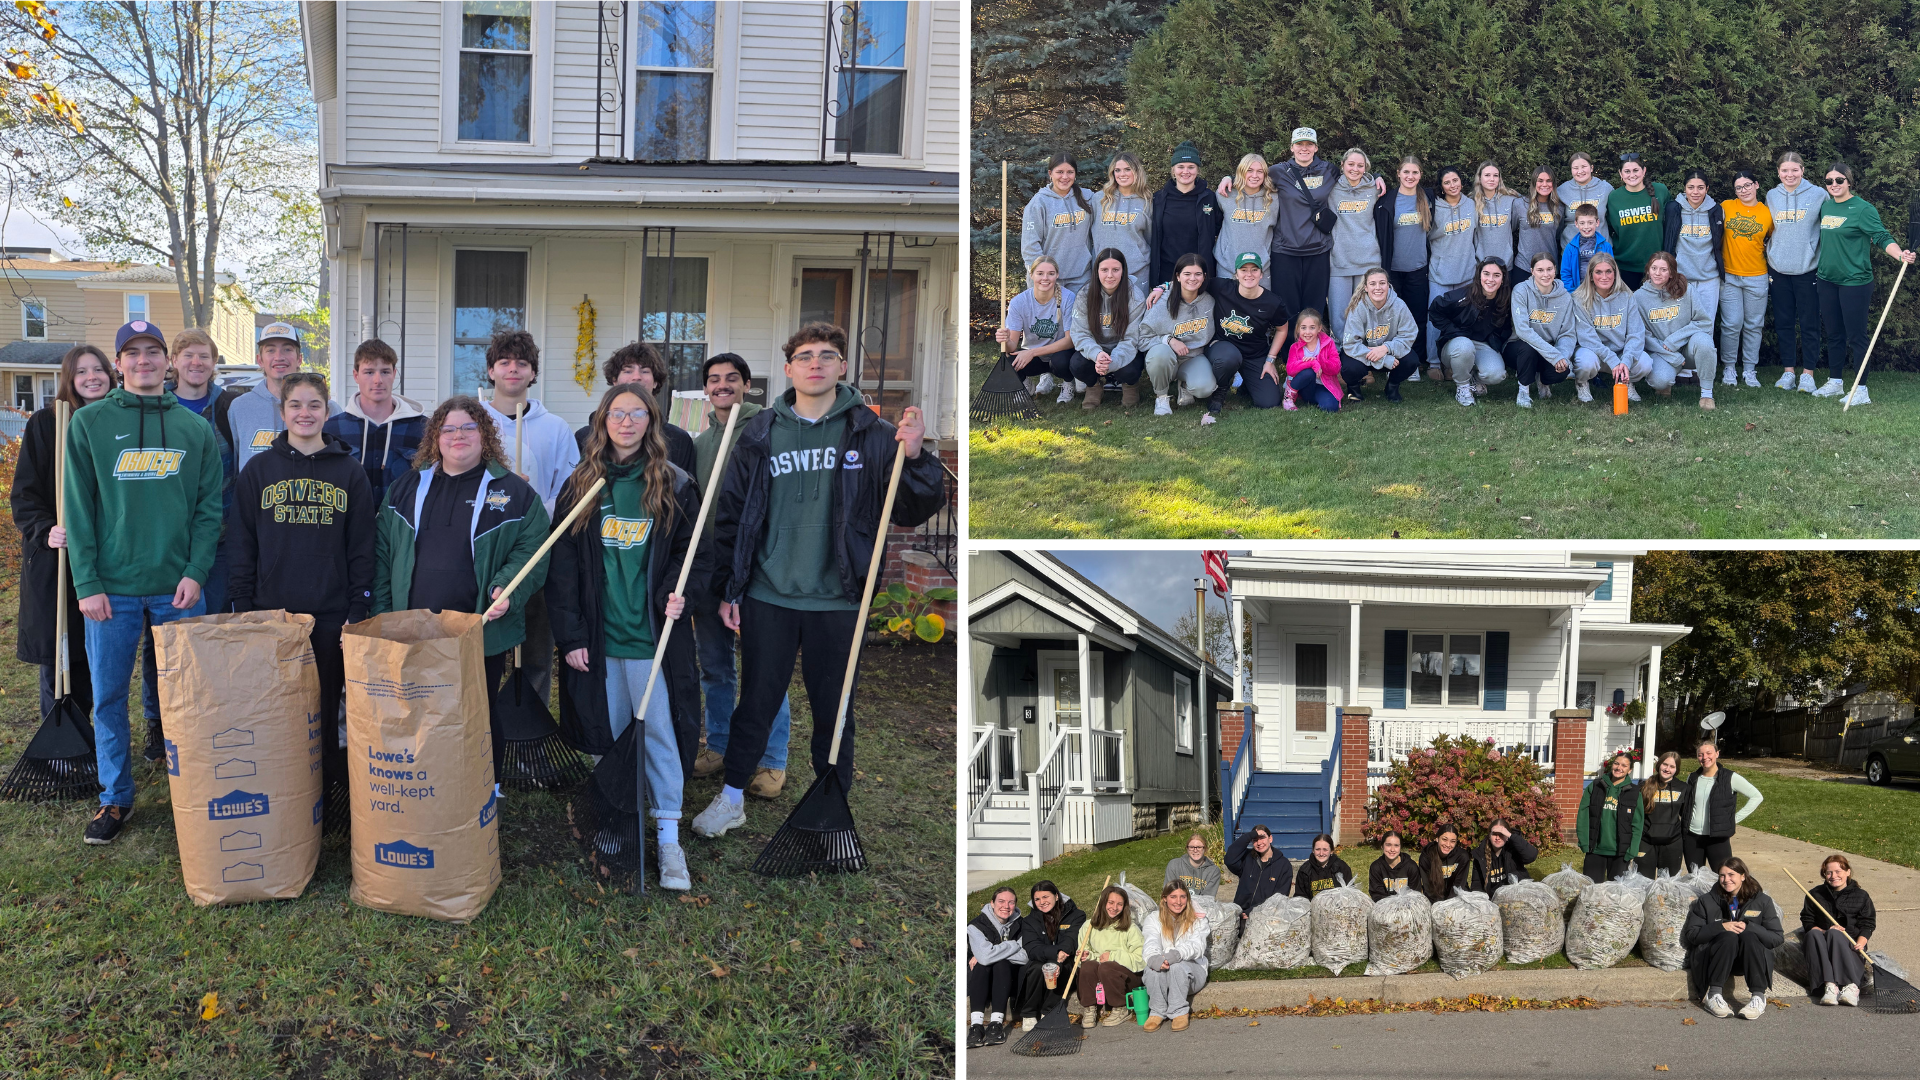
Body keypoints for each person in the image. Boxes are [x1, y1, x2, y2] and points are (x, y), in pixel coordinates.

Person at [692, 324, 943, 840]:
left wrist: (916, 456)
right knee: (757, 700)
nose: (815, 364)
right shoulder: (760, 433)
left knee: (835, 709)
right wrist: (729, 589)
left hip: (839, 597)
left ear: (842, 367)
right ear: (788, 369)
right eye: (804, 357)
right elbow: (733, 518)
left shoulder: (871, 434)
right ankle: (733, 795)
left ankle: (831, 806)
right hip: (769, 594)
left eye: (827, 356)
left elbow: (914, 507)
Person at [64, 321, 223, 845]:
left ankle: (193, 789)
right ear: (119, 365)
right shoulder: (88, 424)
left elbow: (208, 510)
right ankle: (115, 798)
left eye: (153, 352)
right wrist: (87, 583)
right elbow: (79, 511)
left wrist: (197, 572)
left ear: (168, 362)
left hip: (178, 590)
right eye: (132, 354)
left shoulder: (195, 429)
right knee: (109, 697)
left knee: (189, 699)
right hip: (112, 591)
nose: (144, 361)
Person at [549, 380, 700, 891]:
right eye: (618, 413)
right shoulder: (581, 485)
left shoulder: (675, 484)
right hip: (600, 640)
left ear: (651, 421)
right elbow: (563, 569)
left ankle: (668, 837)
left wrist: (683, 593)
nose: (627, 422)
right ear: (603, 420)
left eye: (638, 413)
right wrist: (570, 637)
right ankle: (616, 822)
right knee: (607, 735)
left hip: (652, 640)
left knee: (658, 736)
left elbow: (693, 553)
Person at [372, 396, 552, 796]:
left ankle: (488, 787)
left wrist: (508, 586)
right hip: (413, 625)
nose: (458, 436)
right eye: (448, 429)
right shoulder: (406, 488)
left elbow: (533, 548)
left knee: (479, 707)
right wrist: (384, 617)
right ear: (435, 437)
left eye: (468, 428)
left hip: (478, 628)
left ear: (484, 435)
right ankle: (427, 785)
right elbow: (382, 556)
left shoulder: (512, 492)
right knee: (418, 708)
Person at [226, 372, 375, 833]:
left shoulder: (350, 472)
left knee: (328, 704)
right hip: (275, 613)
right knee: (280, 707)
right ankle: (285, 793)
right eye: (296, 405)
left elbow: (362, 545)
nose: (304, 413)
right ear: (283, 411)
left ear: (327, 412)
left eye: (314, 405)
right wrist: (243, 601)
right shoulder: (259, 471)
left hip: (330, 613)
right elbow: (242, 541)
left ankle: (330, 797)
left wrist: (359, 606)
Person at [686, 353, 793, 800]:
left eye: (732, 378)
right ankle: (720, 744)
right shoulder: (700, 441)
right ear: (706, 389)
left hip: (754, 567)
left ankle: (771, 758)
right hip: (710, 567)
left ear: (747, 384)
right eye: (714, 380)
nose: (722, 385)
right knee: (714, 665)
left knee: (763, 669)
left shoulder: (766, 429)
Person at [12, 345, 111, 729]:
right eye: (81, 371)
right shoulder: (47, 423)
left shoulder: (114, 419)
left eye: (98, 369)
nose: (91, 377)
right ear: (69, 378)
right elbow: (24, 493)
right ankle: (58, 736)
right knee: (59, 652)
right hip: (57, 559)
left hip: (103, 557)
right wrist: (44, 529)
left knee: (92, 655)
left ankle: (86, 735)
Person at [481, 330, 580, 712]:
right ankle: (481, 730)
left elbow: (568, 490)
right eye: (504, 362)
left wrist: (534, 520)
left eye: (521, 363)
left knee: (536, 650)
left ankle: (528, 729)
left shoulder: (554, 427)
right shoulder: (475, 423)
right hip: (485, 555)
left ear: (533, 373)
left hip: (537, 554)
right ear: (491, 370)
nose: (512, 369)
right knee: (484, 653)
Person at [1811, 160, 1916, 406]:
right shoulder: (1826, 208)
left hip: (1854, 282)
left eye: (1839, 180)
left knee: (1857, 336)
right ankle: (1835, 382)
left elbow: (1880, 236)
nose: (1834, 185)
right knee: (1834, 334)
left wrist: (1899, 254)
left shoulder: (1862, 209)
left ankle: (1861, 390)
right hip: (1827, 280)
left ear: (1849, 182)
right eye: (1829, 181)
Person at [323, 338, 427, 510]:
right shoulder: (332, 430)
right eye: (369, 372)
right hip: (347, 532)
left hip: (401, 532)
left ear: (394, 374)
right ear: (356, 375)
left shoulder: (421, 428)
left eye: (385, 372)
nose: (378, 380)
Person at [1682, 857, 1784, 1019]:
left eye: (1731, 875)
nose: (1726, 880)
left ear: (1743, 876)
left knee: (1749, 935)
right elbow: (1693, 936)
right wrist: (1721, 926)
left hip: (1749, 958)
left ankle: (1758, 997)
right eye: (1722, 876)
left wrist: (1750, 927)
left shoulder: (1762, 901)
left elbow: (1777, 938)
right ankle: (1713, 995)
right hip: (1716, 958)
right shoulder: (1706, 901)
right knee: (1728, 936)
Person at [577, 341, 697, 473]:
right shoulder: (584, 438)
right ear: (614, 380)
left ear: (656, 382)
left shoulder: (678, 440)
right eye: (628, 371)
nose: (636, 377)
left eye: (645, 371)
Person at [1766, 152, 1825, 391]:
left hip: (1807, 269)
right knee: (1783, 323)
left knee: (1809, 323)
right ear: (1778, 172)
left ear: (1802, 170)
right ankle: (1788, 372)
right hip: (1778, 269)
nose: (1789, 175)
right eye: (1784, 171)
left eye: (1794, 170)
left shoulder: (1819, 194)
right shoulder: (1772, 195)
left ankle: (1808, 374)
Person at [1636, 251, 1720, 407]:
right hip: (1662, 352)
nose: (1658, 273)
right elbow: (1643, 335)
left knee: (1705, 342)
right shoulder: (1639, 297)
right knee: (1659, 380)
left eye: (1664, 269)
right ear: (1648, 270)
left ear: (1671, 273)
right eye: (1654, 268)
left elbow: (1704, 322)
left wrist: (1674, 340)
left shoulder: (1686, 289)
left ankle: (1707, 395)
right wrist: (1670, 354)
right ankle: (1664, 386)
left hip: (1688, 348)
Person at [1137, 253, 1216, 416]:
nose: (1192, 278)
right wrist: (1169, 340)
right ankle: (1162, 397)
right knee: (1160, 354)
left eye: (1197, 274)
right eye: (1187, 274)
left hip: (1193, 357)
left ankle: (1185, 385)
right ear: (1178, 276)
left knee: (1204, 388)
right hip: (1165, 358)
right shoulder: (1161, 302)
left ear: (1204, 277)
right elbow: (1141, 338)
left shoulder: (1209, 301)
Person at [1326, 148, 1393, 341]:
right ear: (1342, 165)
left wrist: (1378, 177)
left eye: (1360, 165)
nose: (1355, 169)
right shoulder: (1331, 188)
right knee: (1339, 315)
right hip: (1339, 261)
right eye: (1351, 164)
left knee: (1367, 313)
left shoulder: (1375, 189)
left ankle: (1364, 355)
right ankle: (1340, 355)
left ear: (1366, 169)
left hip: (1368, 262)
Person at [1067, 249, 1145, 409]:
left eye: (1115, 270)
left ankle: (1130, 385)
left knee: (1130, 369)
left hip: (1124, 350)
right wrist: (1097, 355)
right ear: (1096, 272)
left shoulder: (1135, 297)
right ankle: (1094, 386)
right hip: (1097, 350)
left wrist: (1112, 362)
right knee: (1076, 364)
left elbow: (1131, 338)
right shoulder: (1084, 295)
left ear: (1123, 271)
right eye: (1104, 270)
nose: (1110, 275)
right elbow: (1080, 333)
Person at [1663, 169, 1725, 368]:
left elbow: (1719, 242)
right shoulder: (1674, 208)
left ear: (1707, 189)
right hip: (1682, 278)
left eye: (1700, 187)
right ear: (1684, 189)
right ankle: (1682, 368)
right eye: (1691, 187)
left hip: (1709, 278)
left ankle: (1703, 368)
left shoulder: (1716, 210)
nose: (1695, 192)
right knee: (1679, 325)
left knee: (1706, 325)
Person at [994, 255, 1078, 403]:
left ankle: (1068, 382)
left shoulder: (1068, 297)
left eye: (1050, 274)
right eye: (1040, 273)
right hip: (1035, 359)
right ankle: (1026, 385)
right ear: (1031, 275)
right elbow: (1012, 346)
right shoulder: (1019, 302)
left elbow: (1070, 340)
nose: (1045, 278)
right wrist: (1005, 341)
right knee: (1007, 359)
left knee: (1061, 361)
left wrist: (1032, 352)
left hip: (1059, 355)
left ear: (1057, 275)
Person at [1432, 256, 1514, 406]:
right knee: (1464, 346)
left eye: (1497, 275)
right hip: (1456, 344)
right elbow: (1435, 311)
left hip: (1482, 345)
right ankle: (1462, 387)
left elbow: (1505, 329)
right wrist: (1453, 331)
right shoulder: (1463, 295)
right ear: (1479, 276)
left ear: (1503, 279)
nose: (1491, 279)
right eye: (1486, 274)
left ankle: (1474, 380)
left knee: (1496, 375)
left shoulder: (1505, 300)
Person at [1719, 172, 1774, 389]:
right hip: (1730, 276)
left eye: (1747, 185)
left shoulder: (1767, 213)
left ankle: (1750, 370)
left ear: (1757, 185)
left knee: (1754, 325)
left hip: (1757, 276)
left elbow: (1771, 240)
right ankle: (1729, 367)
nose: (1744, 190)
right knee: (1731, 324)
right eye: (1739, 187)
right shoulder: (1726, 206)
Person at [1572, 253, 1649, 403]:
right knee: (1585, 362)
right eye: (1598, 272)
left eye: (1608, 271)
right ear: (1591, 275)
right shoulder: (1579, 298)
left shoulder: (1627, 296)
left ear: (1615, 273)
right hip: (1594, 352)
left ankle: (1626, 381)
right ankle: (1581, 383)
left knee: (1645, 363)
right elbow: (1587, 337)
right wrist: (1612, 360)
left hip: (1621, 353)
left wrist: (1625, 361)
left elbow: (1636, 333)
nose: (1604, 276)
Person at [1801, 854, 1875, 1007]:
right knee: (1813, 934)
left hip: (1851, 943)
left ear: (1848, 872)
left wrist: (1861, 943)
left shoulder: (1861, 896)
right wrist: (1823, 931)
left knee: (1835, 933)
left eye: (1838, 871)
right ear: (1824, 874)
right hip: (1823, 940)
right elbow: (1807, 919)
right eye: (1829, 872)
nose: (1833, 876)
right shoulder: (1815, 894)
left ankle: (1851, 986)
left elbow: (1867, 923)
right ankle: (1830, 986)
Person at [1680, 738, 1764, 873]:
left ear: (1717, 754)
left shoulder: (1730, 777)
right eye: (1700, 755)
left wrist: (1733, 820)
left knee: (1723, 877)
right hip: (1692, 838)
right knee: (1695, 879)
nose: (1704, 757)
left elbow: (1756, 797)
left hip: (1717, 839)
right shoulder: (1692, 778)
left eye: (1708, 753)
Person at [1426, 165, 1478, 377]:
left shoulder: (1472, 205)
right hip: (1440, 273)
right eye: (1447, 182)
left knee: (1463, 319)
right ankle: (1434, 363)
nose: (1452, 185)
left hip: (1466, 272)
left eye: (1455, 180)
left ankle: (1454, 363)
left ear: (1461, 182)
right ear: (1441, 187)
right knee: (1435, 319)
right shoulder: (1434, 207)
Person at [1338, 267, 1419, 402]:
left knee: (1411, 360)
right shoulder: (1358, 308)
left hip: (1389, 352)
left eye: (1382, 283)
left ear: (1388, 285)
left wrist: (1385, 349)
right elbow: (1351, 344)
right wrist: (1383, 359)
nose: (1378, 288)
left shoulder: (1399, 305)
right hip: (1364, 355)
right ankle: (1353, 389)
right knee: (1348, 367)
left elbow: (1409, 334)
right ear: (1365, 287)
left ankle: (1392, 387)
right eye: (1373, 284)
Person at [1510, 251, 1579, 408]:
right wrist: (1554, 356)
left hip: (1549, 348)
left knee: (1562, 371)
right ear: (1532, 271)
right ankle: (1524, 390)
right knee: (1528, 348)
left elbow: (1567, 333)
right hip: (1519, 346)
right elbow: (1522, 330)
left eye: (1549, 269)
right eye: (1540, 270)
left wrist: (1562, 356)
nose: (1545, 274)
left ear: (1555, 269)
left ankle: (1542, 381)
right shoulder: (1521, 291)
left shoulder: (1565, 297)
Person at [1021, 153, 1098, 293]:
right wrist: (1044, 274)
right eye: (1060, 172)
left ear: (1075, 174)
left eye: (1070, 172)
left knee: (1079, 315)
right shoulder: (1039, 203)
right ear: (1050, 173)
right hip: (1049, 279)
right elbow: (1030, 246)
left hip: (1081, 276)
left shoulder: (1088, 197)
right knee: (1048, 315)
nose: (1065, 177)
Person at [1015, 881, 1086, 1031]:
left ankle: (1048, 1012)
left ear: (1056, 896)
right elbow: (1032, 948)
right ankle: (1029, 1013)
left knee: (1059, 969)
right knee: (1036, 968)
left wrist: (1059, 958)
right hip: (1040, 961)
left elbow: (1071, 940)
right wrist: (1055, 954)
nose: (1042, 902)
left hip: (1066, 960)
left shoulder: (1076, 915)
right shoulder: (1029, 921)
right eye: (1037, 899)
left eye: (1045, 897)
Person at [1140, 881, 1210, 1032]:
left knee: (1177, 967)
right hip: (1165, 969)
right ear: (1164, 898)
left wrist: (1176, 955)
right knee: (1152, 968)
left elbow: (1197, 945)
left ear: (1188, 898)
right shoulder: (1153, 918)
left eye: (1182, 897)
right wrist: (1154, 958)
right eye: (1173, 897)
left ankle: (1179, 1011)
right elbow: (1151, 940)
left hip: (1192, 970)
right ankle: (1157, 1011)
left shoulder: (1198, 918)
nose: (1178, 902)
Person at [1149, 142, 1222, 287]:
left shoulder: (1210, 198)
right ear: (1173, 169)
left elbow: (1222, 230)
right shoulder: (1158, 199)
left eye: (1191, 167)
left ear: (1198, 170)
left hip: (1198, 273)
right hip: (1167, 272)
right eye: (1180, 167)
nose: (1185, 171)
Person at [1072, 885, 1143, 1029]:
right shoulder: (1089, 927)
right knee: (1088, 966)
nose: (1114, 907)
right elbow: (1083, 956)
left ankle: (1121, 1007)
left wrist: (1113, 956)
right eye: (1110, 902)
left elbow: (1141, 960)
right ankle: (1090, 1008)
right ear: (1103, 903)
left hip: (1126, 979)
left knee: (1107, 967)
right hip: (1101, 977)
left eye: (1119, 904)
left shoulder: (1130, 928)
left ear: (1124, 907)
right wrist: (1085, 955)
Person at [1387, 156, 1433, 370]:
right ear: (1398, 173)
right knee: (1393, 319)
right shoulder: (1388, 200)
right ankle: (1394, 360)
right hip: (1393, 270)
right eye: (1406, 172)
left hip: (1418, 269)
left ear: (1420, 175)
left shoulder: (1428, 197)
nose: (1410, 176)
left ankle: (1416, 361)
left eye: (1415, 172)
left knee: (1417, 317)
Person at [967, 887, 1027, 1047]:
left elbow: (1025, 956)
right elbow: (985, 958)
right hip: (980, 979)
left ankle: (996, 1024)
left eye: (1011, 902)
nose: (1006, 906)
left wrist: (989, 952)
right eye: (1001, 901)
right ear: (992, 903)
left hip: (1009, 978)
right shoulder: (975, 926)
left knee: (1000, 963)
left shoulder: (1023, 925)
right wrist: (1013, 945)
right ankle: (976, 1026)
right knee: (981, 965)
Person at [1604, 153, 1671, 289]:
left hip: (1657, 266)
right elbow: (1611, 228)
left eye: (1636, 170)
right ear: (1620, 174)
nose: (1632, 175)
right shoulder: (1614, 198)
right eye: (1627, 171)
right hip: (1626, 267)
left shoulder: (1660, 191)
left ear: (1644, 171)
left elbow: (1670, 223)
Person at [1575, 751, 1645, 883]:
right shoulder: (1596, 786)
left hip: (1620, 853)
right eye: (1616, 763)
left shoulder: (1634, 793)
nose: (1619, 768)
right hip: (1595, 849)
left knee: (1616, 894)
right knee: (1592, 890)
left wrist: (1632, 850)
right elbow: (1583, 814)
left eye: (1624, 766)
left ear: (1629, 770)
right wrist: (1584, 842)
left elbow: (1637, 823)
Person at [1212, 153, 1278, 289]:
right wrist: (1227, 178)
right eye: (1250, 170)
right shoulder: (1225, 194)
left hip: (1261, 270)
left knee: (1259, 309)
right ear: (1241, 172)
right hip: (1228, 267)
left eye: (1260, 171)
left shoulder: (1274, 199)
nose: (1255, 175)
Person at [1093, 151, 1152, 298]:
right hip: (1105, 272)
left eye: (1127, 169)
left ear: (1136, 171)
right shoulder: (1099, 199)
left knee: (1135, 316)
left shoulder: (1147, 201)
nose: (1122, 174)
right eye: (1117, 170)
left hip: (1137, 271)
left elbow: (1150, 238)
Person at [1636, 751, 1687, 879]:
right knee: (1642, 883)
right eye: (1665, 764)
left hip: (1672, 843)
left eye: (1672, 766)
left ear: (1677, 769)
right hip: (1646, 841)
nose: (1667, 769)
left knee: (1668, 887)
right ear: (1659, 764)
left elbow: (1686, 816)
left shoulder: (1683, 788)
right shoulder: (1644, 785)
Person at [1281, 308, 1344, 412]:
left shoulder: (1328, 343)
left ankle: (1319, 400)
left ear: (1319, 328)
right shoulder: (1295, 347)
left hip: (1323, 386)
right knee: (1309, 372)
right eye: (1303, 328)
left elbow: (1336, 368)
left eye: (1312, 328)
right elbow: (1290, 370)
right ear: (1298, 329)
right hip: (1304, 387)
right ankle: (1288, 398)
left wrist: (1320, 362)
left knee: (1331, 407)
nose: (1307, 332)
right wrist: (1311, 363)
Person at [1226, 824, 1294, 920]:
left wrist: (1253, 911)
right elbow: (1229, 859)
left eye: (1262, 838)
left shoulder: (1284, 865)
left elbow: (1281, 897)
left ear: (1270, 839)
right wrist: (1250, 835)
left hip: (1265, 917)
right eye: (1255, 839)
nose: (1259, 842)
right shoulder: (1247, 858)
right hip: (1240, 914)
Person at [1469, 160, 1525, 272]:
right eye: (1487, 175)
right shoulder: (1471, 202)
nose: (1491, 179)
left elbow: (1515, 224)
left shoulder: (1511, 200)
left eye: (1495, 175)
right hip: (1481, 265)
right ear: (1479, 178)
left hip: (1505, 264)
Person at [1557, 152, 1615, 249]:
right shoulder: (1562, 191)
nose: (1580, 171)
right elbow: (1558, 224)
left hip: (1600, 250)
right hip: (1573, 250)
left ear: (1591, 168)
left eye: (1584, 166)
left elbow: (1613, 220)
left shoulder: (1605, 188)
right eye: (1575, 168)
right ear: (1571, 170)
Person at [1518, 167, 1568, 271]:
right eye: (1540, 181)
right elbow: (1511, 227)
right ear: (1533, 182)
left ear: (1553, 184)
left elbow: (1558, 234)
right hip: (1524, 266)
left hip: (1549, 267)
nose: (1544, 184)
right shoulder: (1520, 204)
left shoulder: (1560, 208)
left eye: (1548, 181)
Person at [1467, 819, 1538, 892]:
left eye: (1501, 834)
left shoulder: (1514, 848)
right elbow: (1476, 884)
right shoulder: (1480, 855)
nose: (1497, 838)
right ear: (1489, 835)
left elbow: (1531, 856)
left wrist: (1511, 836)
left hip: (1518, 893)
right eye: (1494, 834)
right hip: (1493, 898)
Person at [1558, 204, 1616, 293]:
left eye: (1590, 222)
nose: (1586, 227)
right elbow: (1566, 273)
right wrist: (1571, 293)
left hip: (1601, 292)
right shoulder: (1570, 248)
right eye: (1582, 223)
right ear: (1576, 224)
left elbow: (1612, 269)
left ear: (1597, 223)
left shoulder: (1606, 246)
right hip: (1578, 292)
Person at [1418, 822, 1471, 901]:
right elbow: (1428, 887)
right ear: (1437, 838)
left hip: (1457, 897)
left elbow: (1459, 885)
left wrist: (1449, 905)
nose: (1448, 844)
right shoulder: (1427, 856)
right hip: (1434, 898)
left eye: (1452, 841)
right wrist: (1438, 906)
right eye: (1444, 839)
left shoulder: (1462, 857)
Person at [1293, 833, 1354, 897]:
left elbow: (1350, 893)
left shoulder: (1341, 868)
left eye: (1325, 850)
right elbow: (1300, 896)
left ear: (1331, 851)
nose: (1321, 853)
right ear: (1313, 850)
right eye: (1317, 849)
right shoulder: (1304, 871)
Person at [1164, 832, 1222, 898]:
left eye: (1199, 847)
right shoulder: (1174, 865)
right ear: (1187, 849)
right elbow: (1168, 893)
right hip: (1178, 905)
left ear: (1205, 849)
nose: (1195, 850)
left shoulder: (1213, 871)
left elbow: (1208, 898)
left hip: (1201, 906)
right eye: (1191, 847)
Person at [1368, 831, 1418, 900]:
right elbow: (1377, 895)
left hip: (1407, 907)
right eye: (1388, 845)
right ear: (1382, 846)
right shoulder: (1376, 867)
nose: (1392, 849)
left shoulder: (1411, 867)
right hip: (1384, 907)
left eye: (1396, 845)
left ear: (1400, 847)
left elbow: (1415, 894)